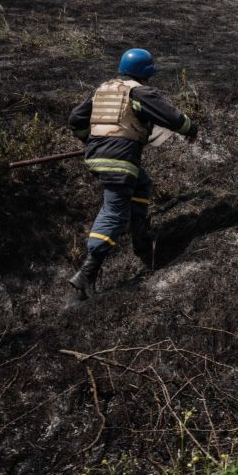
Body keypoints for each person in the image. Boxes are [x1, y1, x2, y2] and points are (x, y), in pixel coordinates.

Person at [66, 47, 198, 297]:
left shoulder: (103, 91)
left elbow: (75, 120)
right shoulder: (139, 92)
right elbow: (170, 116)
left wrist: (93, 141)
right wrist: (190, 129)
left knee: (142, 184)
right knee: (114, 211)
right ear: (145, 74)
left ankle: (140, 238)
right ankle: (87, 272)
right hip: (121, 159)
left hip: (96, 156)